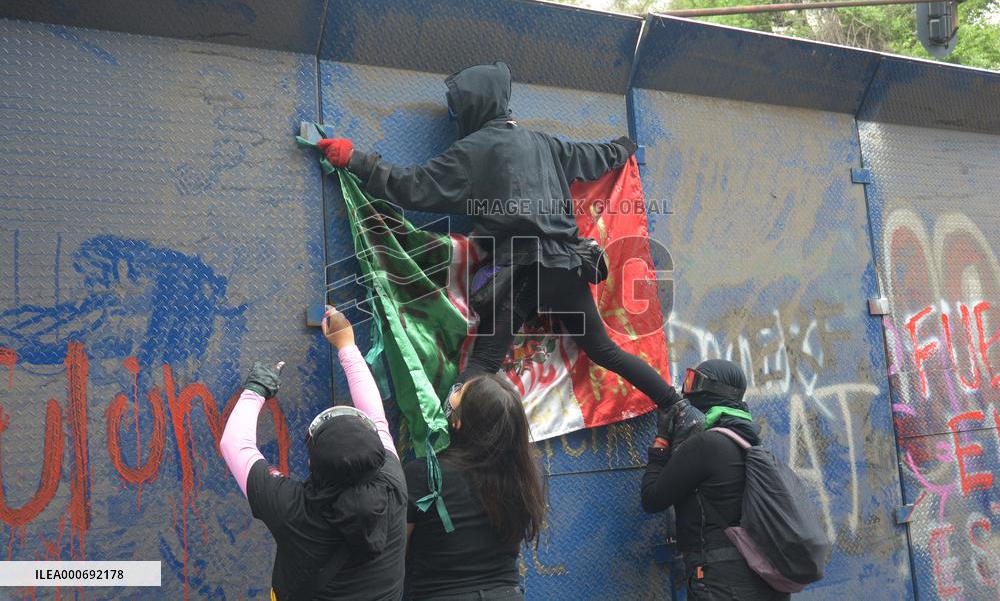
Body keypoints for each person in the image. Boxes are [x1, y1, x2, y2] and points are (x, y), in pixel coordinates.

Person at [315, 61, 677, 410]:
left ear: (473, 105)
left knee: (483, 363)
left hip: (522, 272)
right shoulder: (544, 143)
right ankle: (676, 406)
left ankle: (448, 435)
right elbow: (595, 157)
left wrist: (355, 159)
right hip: (567, 266)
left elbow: (413, 187)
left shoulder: (472, 151)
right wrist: (623, 148)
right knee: (604, 351)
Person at [220, 307, 407, 600]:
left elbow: (234, 443)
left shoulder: (292, 508)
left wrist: (256, 389)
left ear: (311, 462)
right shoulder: (393, 485)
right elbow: (378, 418)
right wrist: (348, 346)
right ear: (376, 457)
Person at [640, 360, 790, 601]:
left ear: (712, 390)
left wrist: (661, 442)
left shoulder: (706, 444)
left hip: (720, 582)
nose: (686, 391)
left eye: (693, 382)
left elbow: (652, 498)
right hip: (765, 578)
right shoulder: (750, 443)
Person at [404, 371, 546, 600]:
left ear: (458, 422)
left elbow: (395, 551)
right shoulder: (521, 476)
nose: (455, 391)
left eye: (460, 392)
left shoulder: (423, 474)